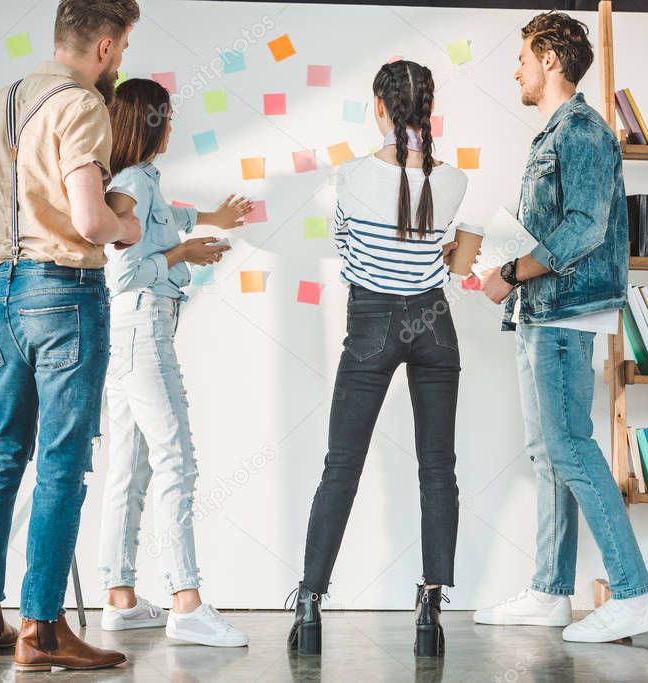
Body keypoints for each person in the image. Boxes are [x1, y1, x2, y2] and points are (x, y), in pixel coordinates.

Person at [0, 0, 143, 671]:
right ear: (106, 46)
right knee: (61, 463)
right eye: (122, 48)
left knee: (2, 454)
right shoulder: (82, 103)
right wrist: (129, 224)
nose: (120, 60)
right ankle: (42, 630)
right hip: (64, 295)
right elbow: (91, 221)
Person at [473, 11, 648, 643]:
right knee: (548, 453)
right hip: (540, 310)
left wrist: (509, 268)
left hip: (563, 312)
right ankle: (551, 593)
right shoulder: (554, 133)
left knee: (571, 447)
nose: (518, 69)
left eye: (524, 56)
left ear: (551, 60)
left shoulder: (581, 132)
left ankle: (634, 596)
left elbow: (585, 226)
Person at [287, 60, 468, 658]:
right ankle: (430, 610)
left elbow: (344, 249)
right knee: (437, 467)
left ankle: (310, 603)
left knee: (342, 464)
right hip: (434, 323)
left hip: (371, 322)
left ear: (380, 107)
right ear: (429, 108)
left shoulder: (350, 175)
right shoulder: (456, 180)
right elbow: (451, 255)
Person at [96, 78, 253, 647]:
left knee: (130, 468)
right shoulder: (134, 180)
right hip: (142, 331)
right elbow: (125, 273)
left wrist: (206, 218)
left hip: (127, 336)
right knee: (176, 461)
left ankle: (119, 597)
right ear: (153, 123)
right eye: (167, 115)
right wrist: (183, 254)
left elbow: (164, 216)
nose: (173, 124)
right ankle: (186, 602)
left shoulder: (136, 181)